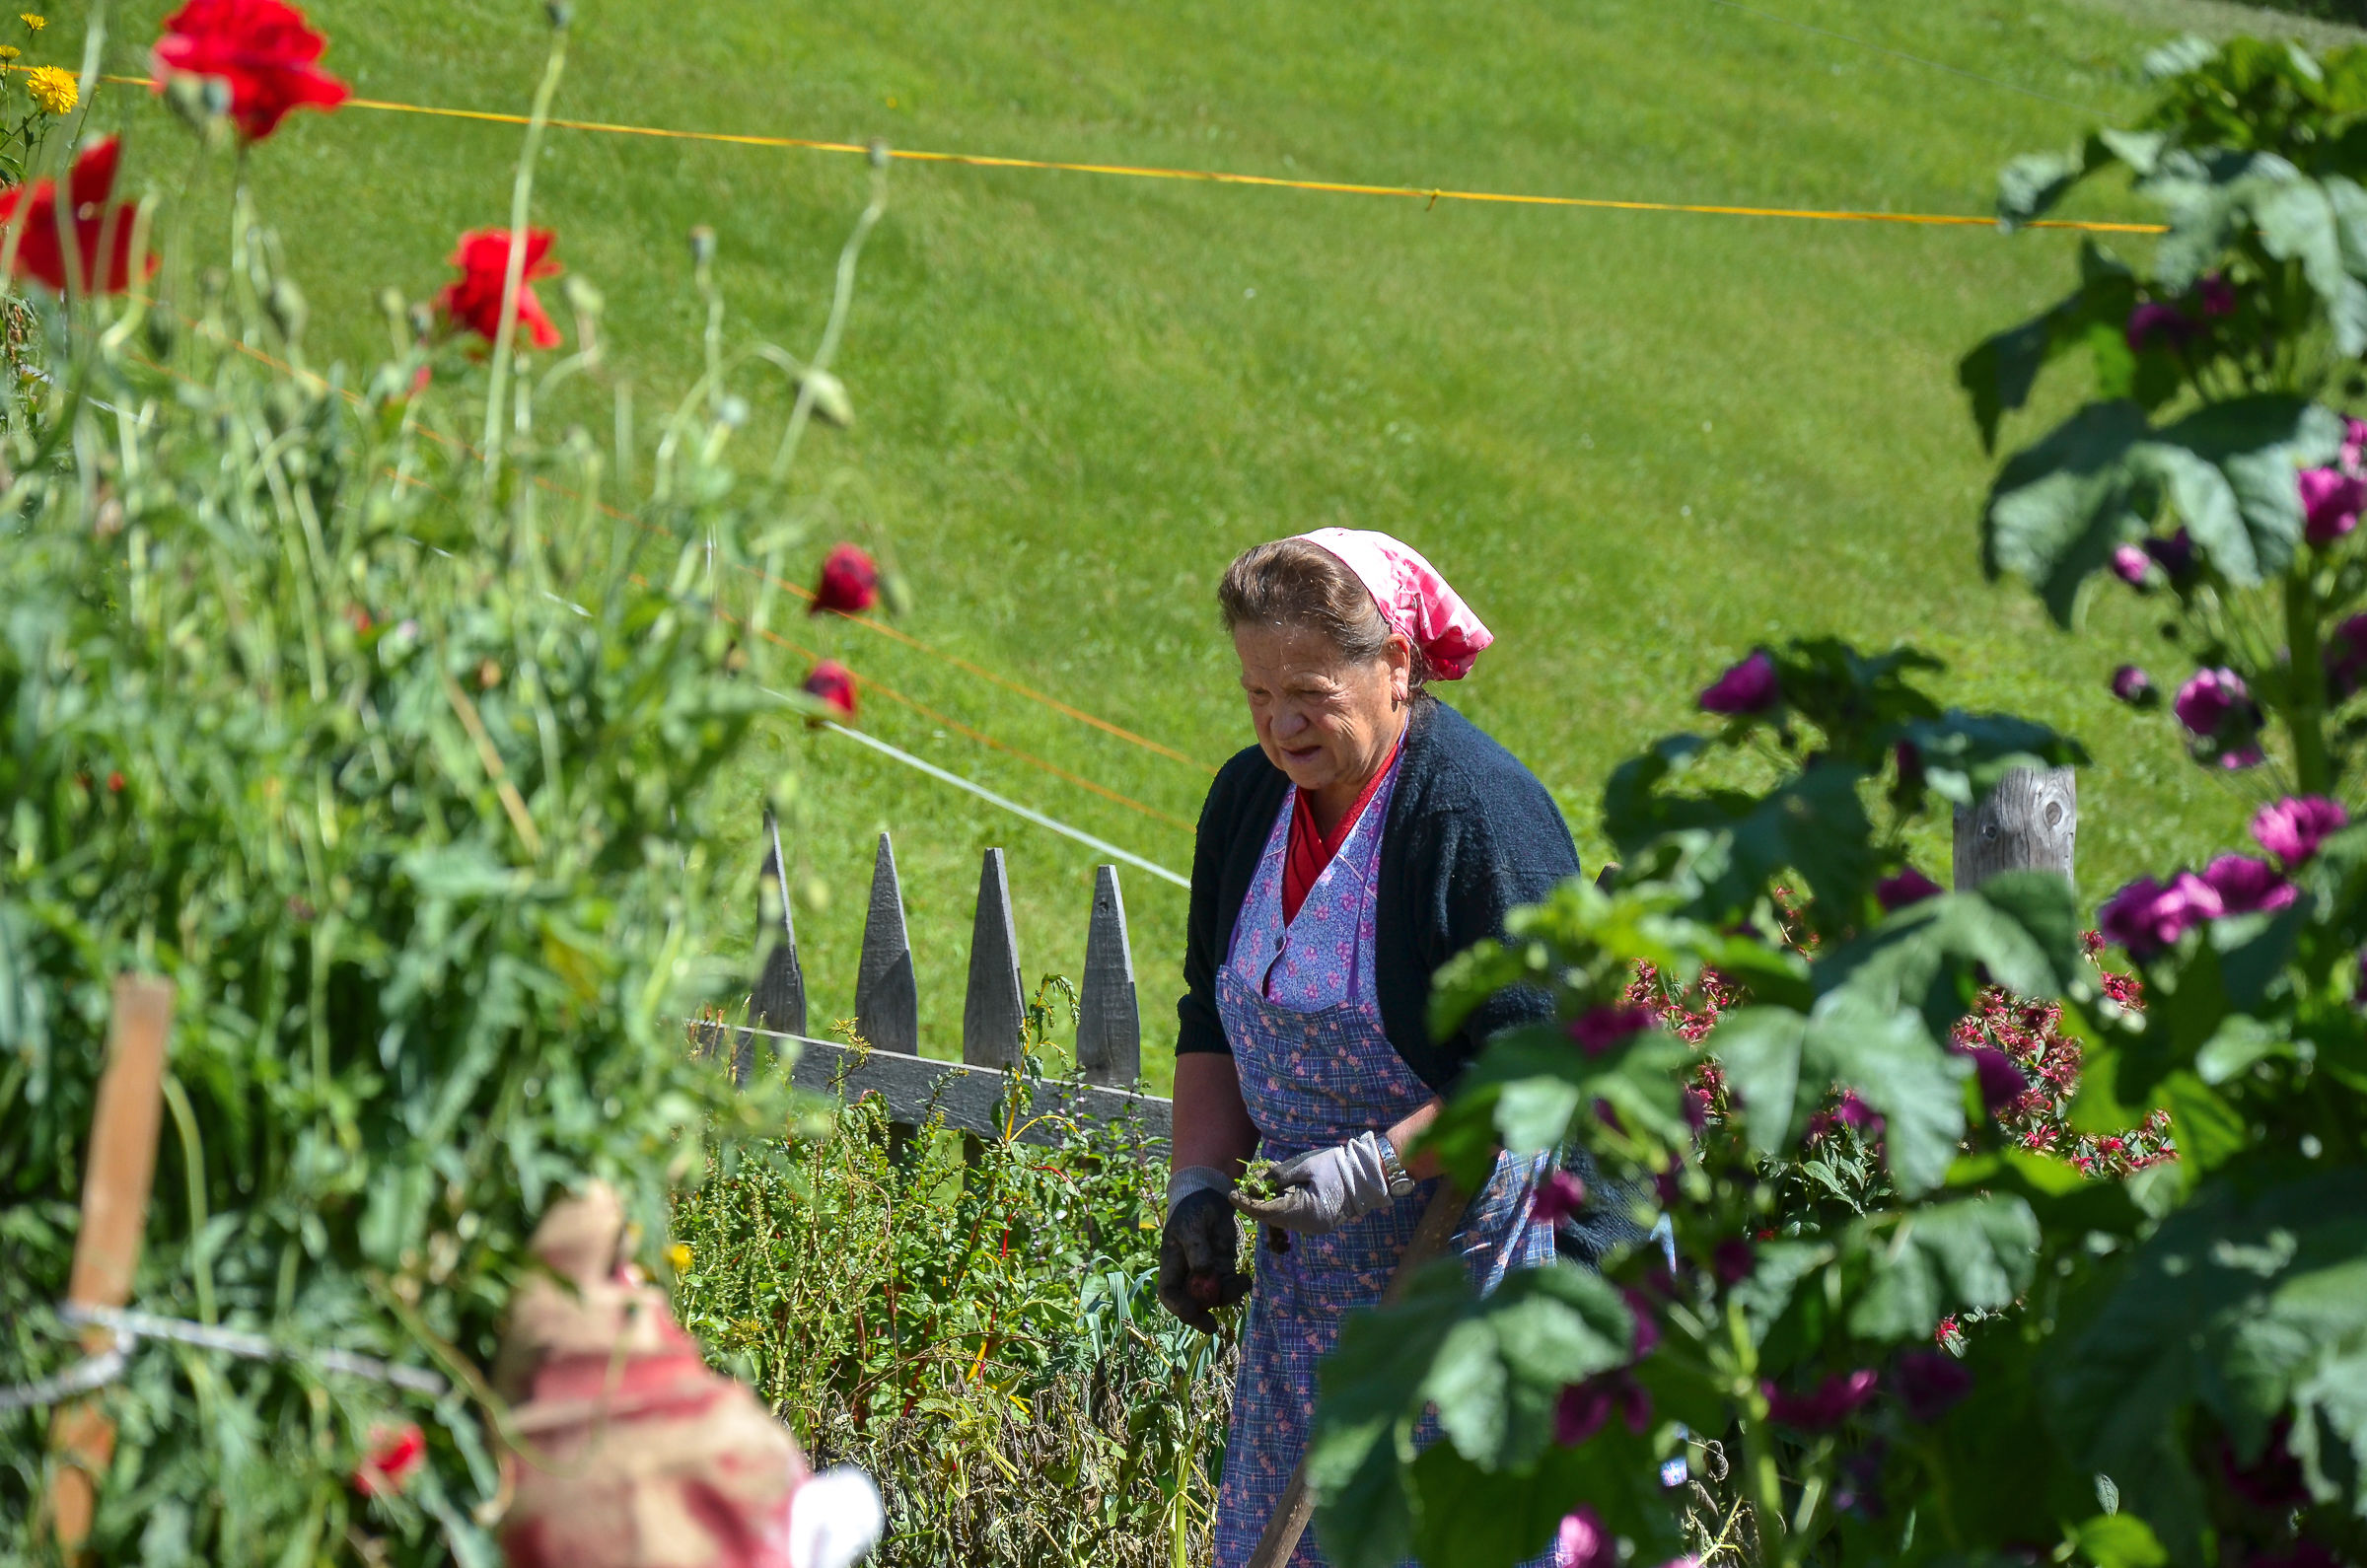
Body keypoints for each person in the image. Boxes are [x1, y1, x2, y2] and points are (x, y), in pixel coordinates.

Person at [1158, 529, 1622, 1568]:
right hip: (1312, 1274)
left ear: (1397, 665)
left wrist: (1373, 1168)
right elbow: (1211, 1014)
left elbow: (1537, 1065)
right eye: (1256, 693)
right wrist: (1197, 1184)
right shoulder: (1247, 801)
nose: (1281, 724)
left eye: (1310, 692)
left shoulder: (1473, 814)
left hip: (1473, 1260)